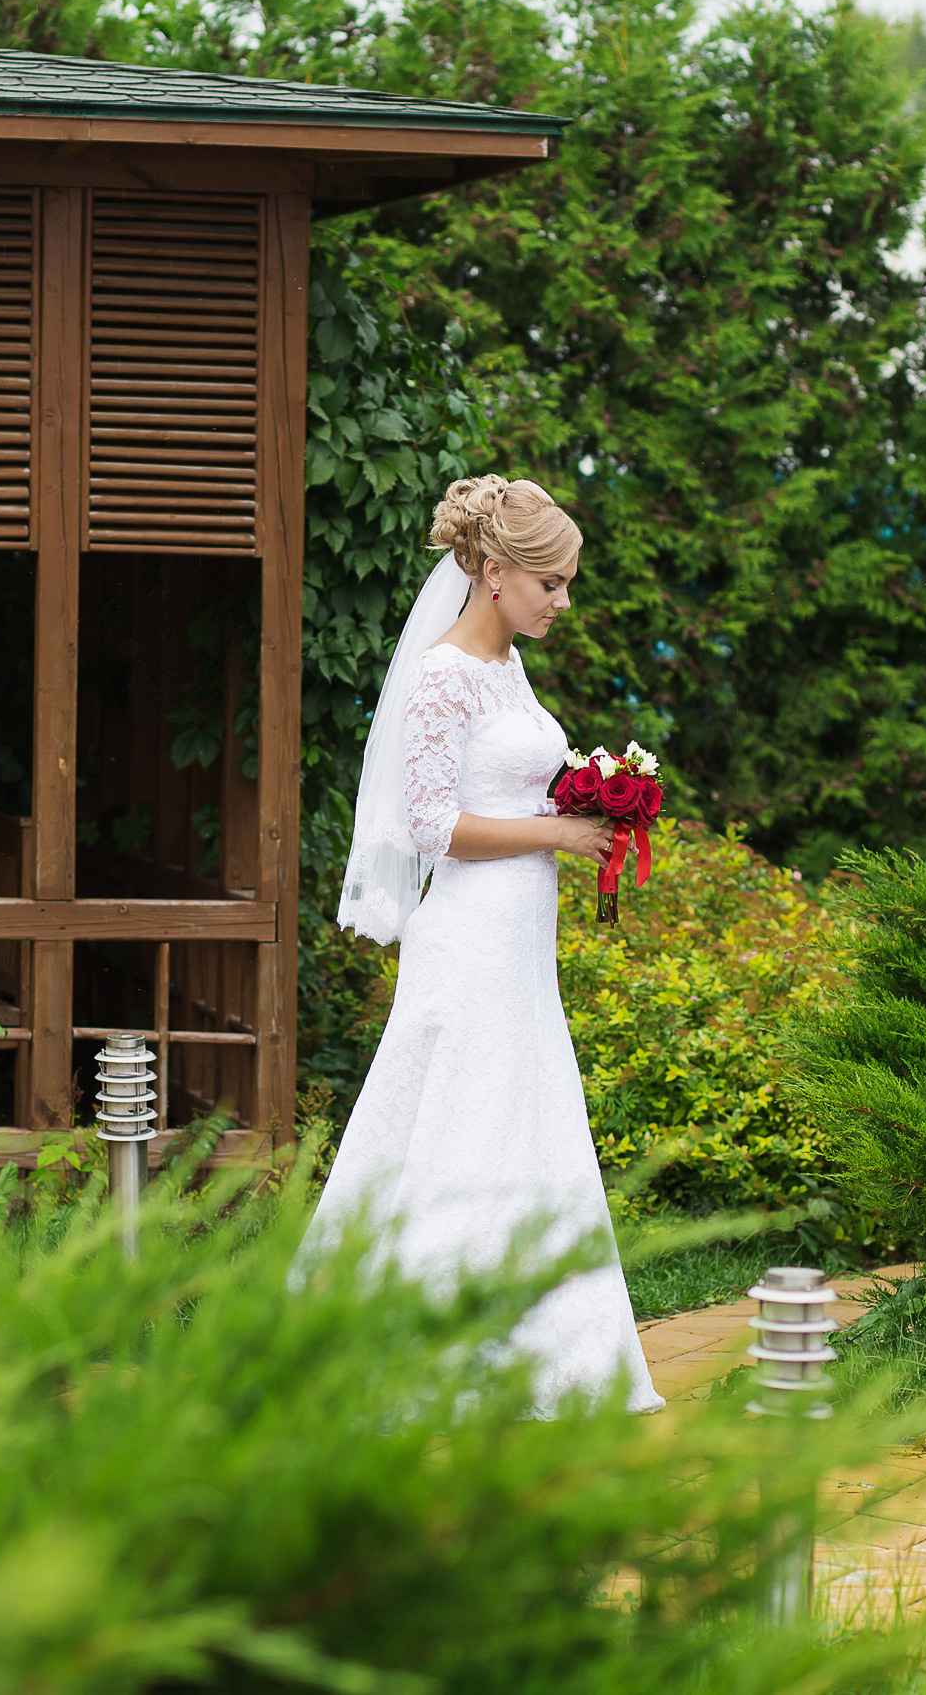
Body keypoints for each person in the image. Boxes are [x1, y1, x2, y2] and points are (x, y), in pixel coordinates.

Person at [309, 473, 663, 1415]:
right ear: (497, 571)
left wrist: (592, 793)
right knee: (459, 1125)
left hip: (519, 941)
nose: (564, 599)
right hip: (467, 934)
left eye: (567, 581)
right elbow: (430, 824)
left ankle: (543, 1352)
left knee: (520, 1123)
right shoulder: (441, 675)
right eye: (552, 582)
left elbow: (506, 784)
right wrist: (559, 832)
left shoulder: (506, 665)